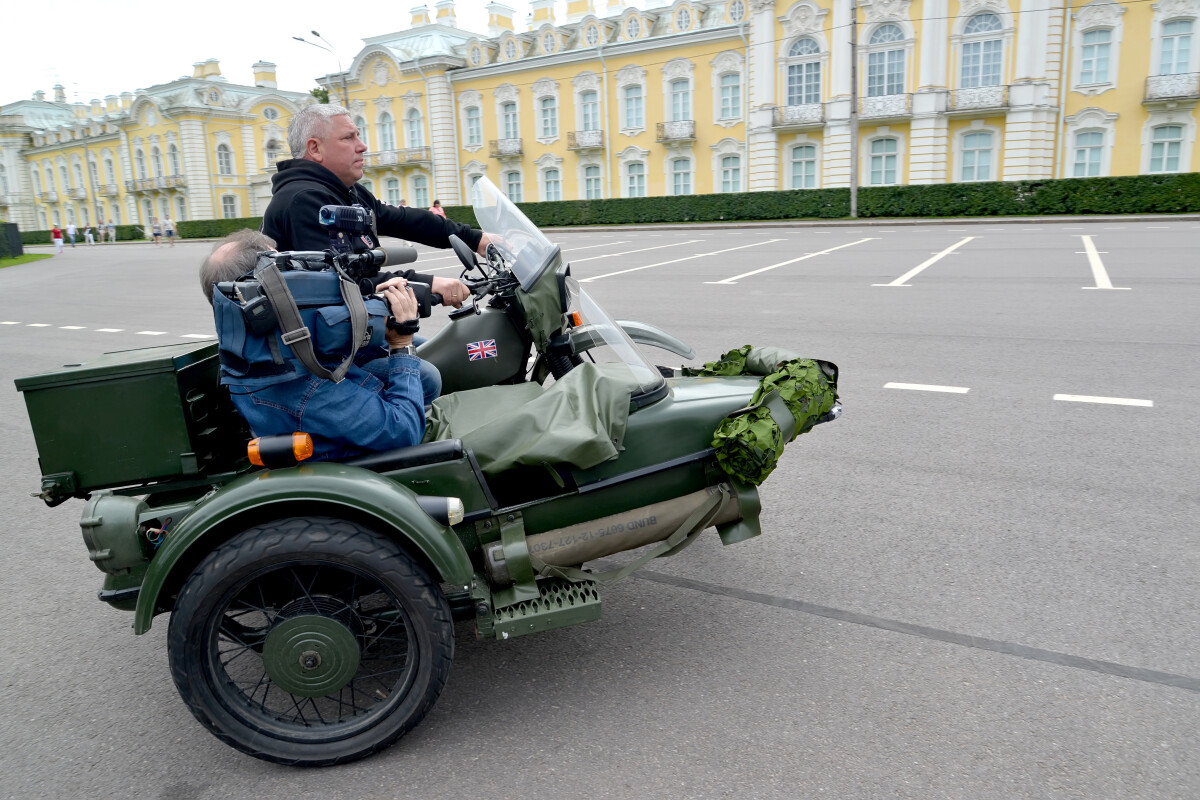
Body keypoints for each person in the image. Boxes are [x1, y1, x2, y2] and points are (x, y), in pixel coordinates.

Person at [262, 104, 487, 397]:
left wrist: (477, 239)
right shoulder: (304, 200)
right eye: (349, 138)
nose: (362, 145)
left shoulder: (344, 191)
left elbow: (404, 220)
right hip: (321, 355)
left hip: (354, 335)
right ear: (315, 148)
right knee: (426, 375)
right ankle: (407, 438)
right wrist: (428, 284)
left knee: (443, 351)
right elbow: (341, 284)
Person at [199, 230, 427, 461]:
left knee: (428, 376)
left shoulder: (261, 351)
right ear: (258, 297)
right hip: (366, 462)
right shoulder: (302, 386)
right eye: (284, 274)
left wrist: (366, 308)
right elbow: (404, 432)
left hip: (333, 423)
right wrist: (402, 344)